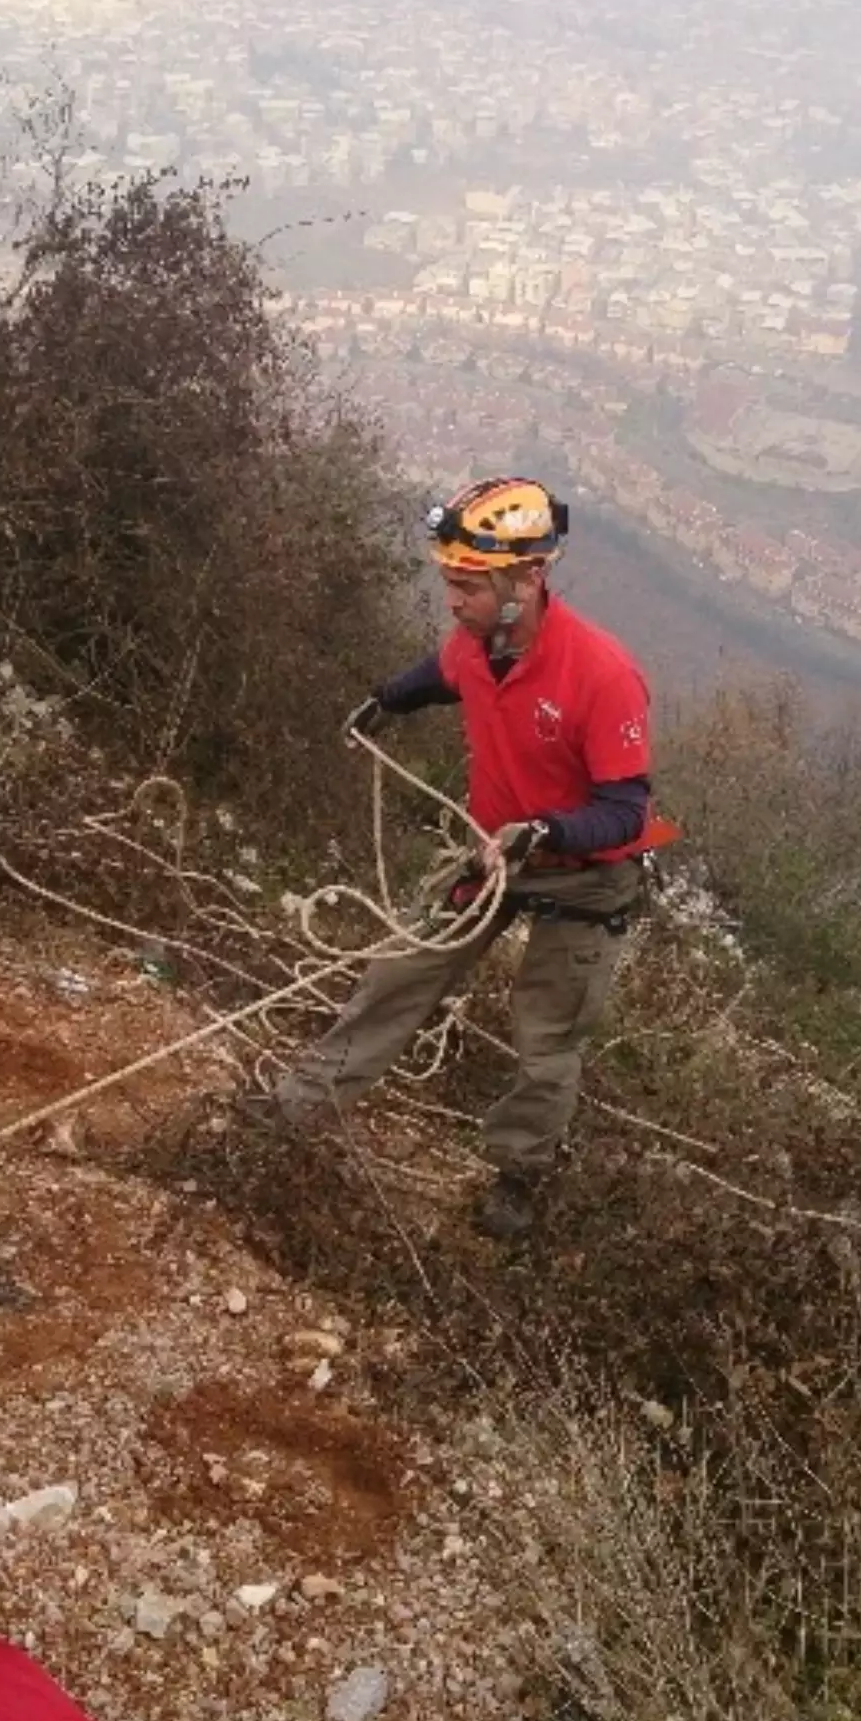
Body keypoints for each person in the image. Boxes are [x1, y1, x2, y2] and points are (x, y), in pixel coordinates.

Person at [268, 475, 672, 1240]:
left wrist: (546, 831)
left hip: (587, 879)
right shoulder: (475, 646)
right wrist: (386, 701)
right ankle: (299, 1109)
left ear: (529, 576)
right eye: (449, 583)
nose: (454, 601)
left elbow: (627, 809)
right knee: (398, 975)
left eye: (468, 586)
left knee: (546, 1038)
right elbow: (441, 673)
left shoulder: (602, 675)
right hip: (495, 855)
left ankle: (517, 1177)